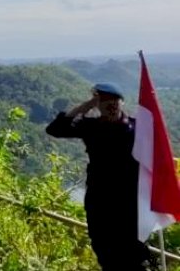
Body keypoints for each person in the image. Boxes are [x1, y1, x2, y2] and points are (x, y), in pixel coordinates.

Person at [46, 83, 149, 270]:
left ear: (121, 103)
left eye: (114, 102)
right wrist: (86, 106)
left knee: (132, 253)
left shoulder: (138, 128)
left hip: (130, 202)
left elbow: (158, 155)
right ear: (98, 105)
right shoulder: (90, 126)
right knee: (104, 250)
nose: (111, 107)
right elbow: (55, 129)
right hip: (100, 199)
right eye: (104, 102)